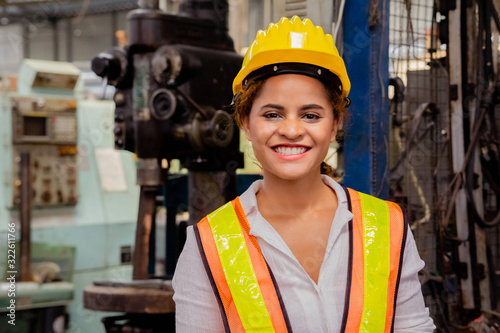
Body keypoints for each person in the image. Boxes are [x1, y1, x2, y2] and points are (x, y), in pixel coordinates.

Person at [172, 16, 435, 332]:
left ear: (335, 123)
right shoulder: (207, 245)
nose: (292, 130)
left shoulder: (387, 226)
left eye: (311, 115)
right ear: (245, 122)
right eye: (272, 114)